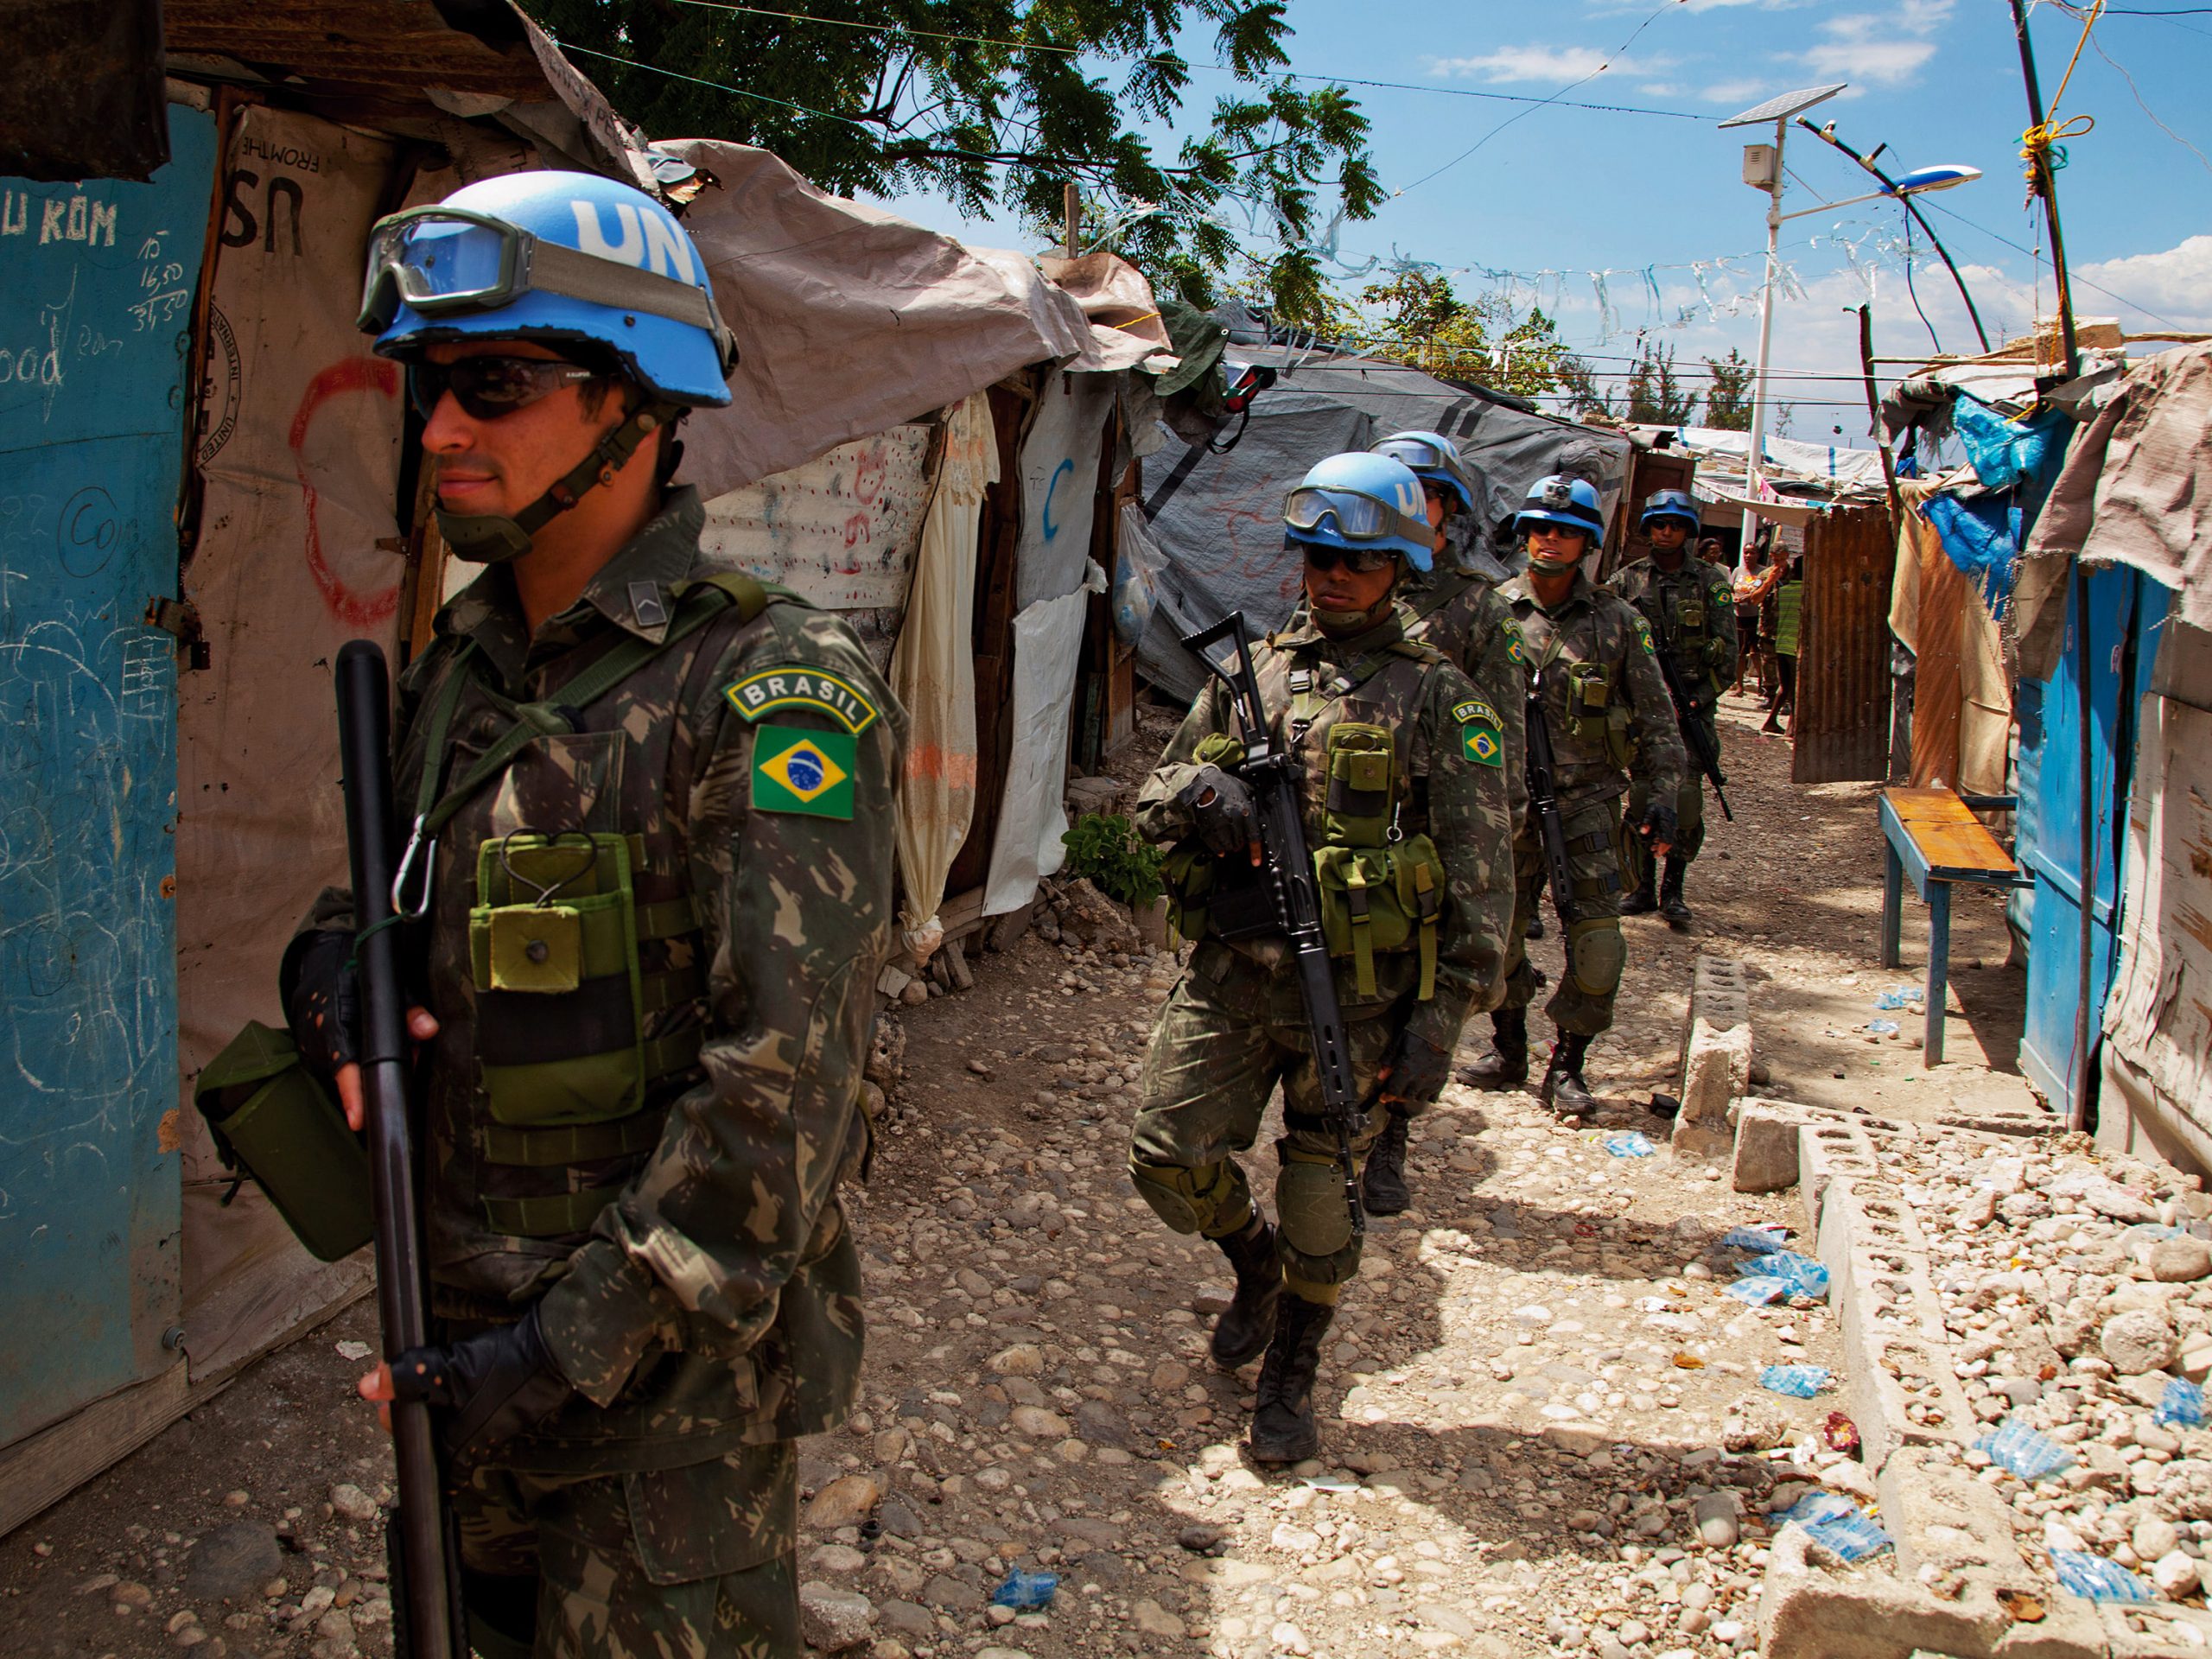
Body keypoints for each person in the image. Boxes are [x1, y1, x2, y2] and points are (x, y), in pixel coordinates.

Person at [283, 170, 903, 1658]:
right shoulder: (466, 664)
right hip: (454, 1354)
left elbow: (786, 1097)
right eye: (431, 382)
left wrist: (555, 1352)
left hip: (649, 1421)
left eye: (493, 384)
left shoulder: (762, 693)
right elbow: (390, 903)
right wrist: (329, 972)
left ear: (637, 403)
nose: (438, 428)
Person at [1128, 451, 1513, 1462]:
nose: (1332, 577)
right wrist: (1198, 803)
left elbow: (1482, 885)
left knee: (1322, 1208)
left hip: (1357, 1000)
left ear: (1398, 569)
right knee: (1166, 1162)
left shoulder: (1442, 702)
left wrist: (1440, 1027)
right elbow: (1151, 799)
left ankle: (1292, 1367)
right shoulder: (1250, 675)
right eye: (1317, 558)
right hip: (1228, 981)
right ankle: (1250, 1267)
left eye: (1358, 560)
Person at [1463, 475, 1685, 1116]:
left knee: (1596, 942)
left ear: (1586, 541)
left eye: (1564, 530)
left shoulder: (1619, 623)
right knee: (1497, 936)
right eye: (1539, 528)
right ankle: (1509, 1048)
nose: (1549, 540)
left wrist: (1661, 794)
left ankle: (1568, 1064)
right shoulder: (1489, 611)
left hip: (1587, 802)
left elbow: (1657, 720)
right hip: (1504, 804)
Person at [1355, 429, 1526, 1217]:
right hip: (1348, 829)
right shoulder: (1351, 579)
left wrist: (1487, 848)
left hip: (1433, 830)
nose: (1402, 504)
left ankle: (1391, 1139)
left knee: (1419, 989)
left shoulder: (1481, 612)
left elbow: (1505, 743)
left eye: (1418, 493)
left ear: (1447, 512)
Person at [1609, 490, 1737, 926]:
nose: (1667, 532)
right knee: (1643, 796)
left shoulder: (1710, 582)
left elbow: (1730, 663)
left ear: (1688, 532)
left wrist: (1695, 701)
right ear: (1648, 529)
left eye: (1676, 525)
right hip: (1642, 713)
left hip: (1692, 712)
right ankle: (1642, 887)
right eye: (1659, 524)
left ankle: (1674, 891)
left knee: (1684, 802)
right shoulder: (1626, 582)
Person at [1765, 549, 1804, 733]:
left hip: (1781, 643)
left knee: (1785, 686)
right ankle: (1792, 727)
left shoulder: (1785, 590)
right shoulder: (1807, 594)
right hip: (1796, 646)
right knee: (1796, 689)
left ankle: (1771, 720)